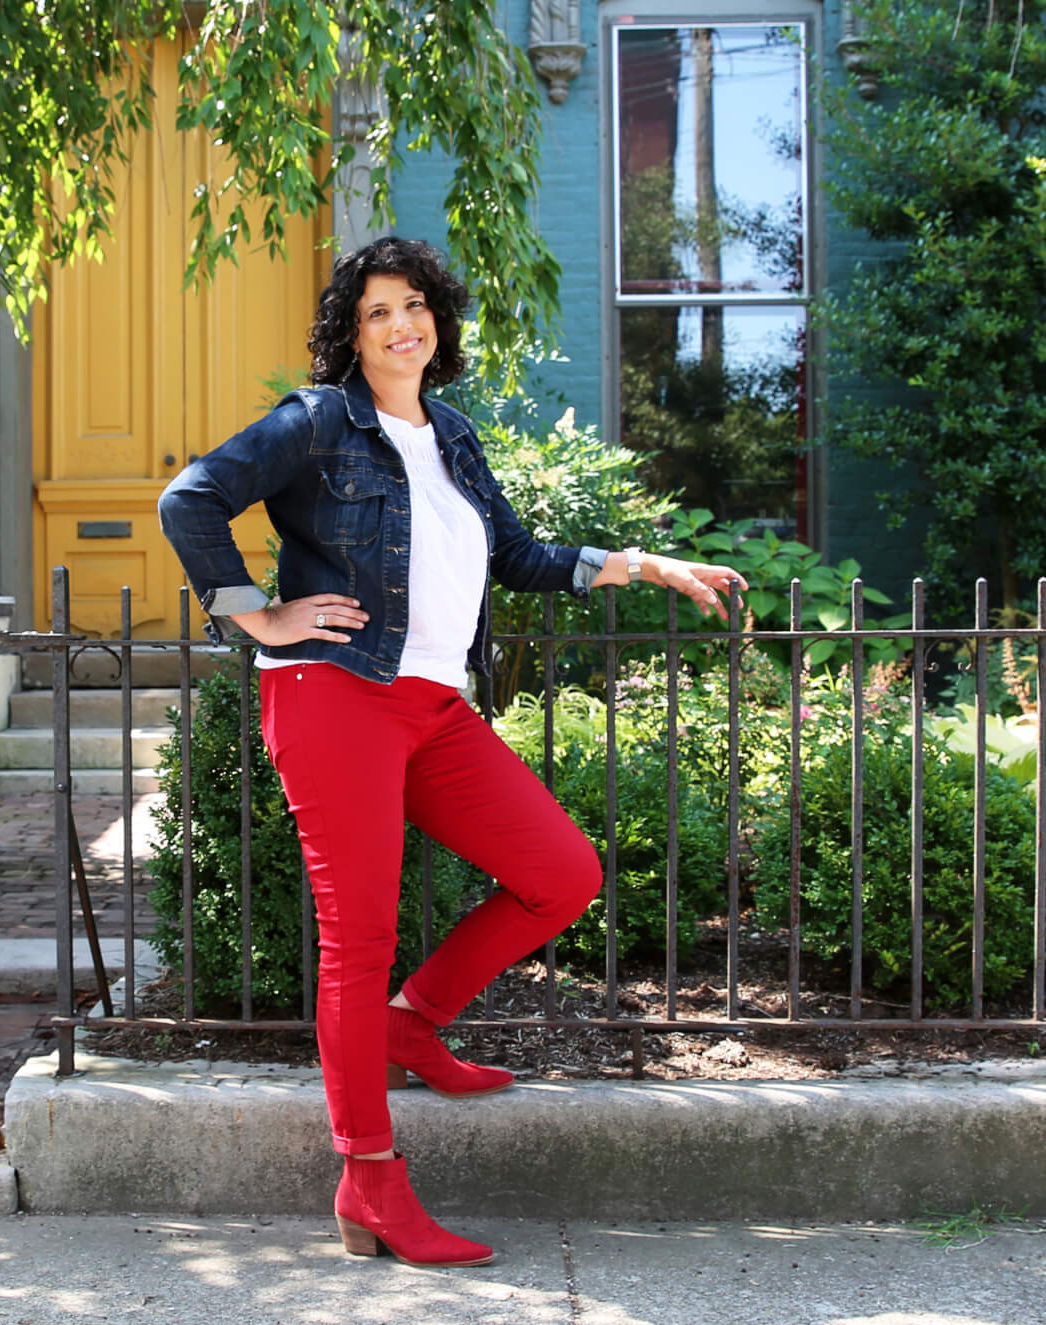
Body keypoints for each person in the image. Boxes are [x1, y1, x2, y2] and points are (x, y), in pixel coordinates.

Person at [157, 236, 747, 1267]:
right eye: (378, 309)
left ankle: (412, 1023)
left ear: (439, 323)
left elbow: (512, 554)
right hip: (335, 694)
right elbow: (191, 497)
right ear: (350, 330)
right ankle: (369, 1182)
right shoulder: (317, 420)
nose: (401, 324)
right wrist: (255, 613)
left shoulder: (454, 437)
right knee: (356, 941)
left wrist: (637, 562)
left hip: (431, 706)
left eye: (416, 305)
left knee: (560, 873)